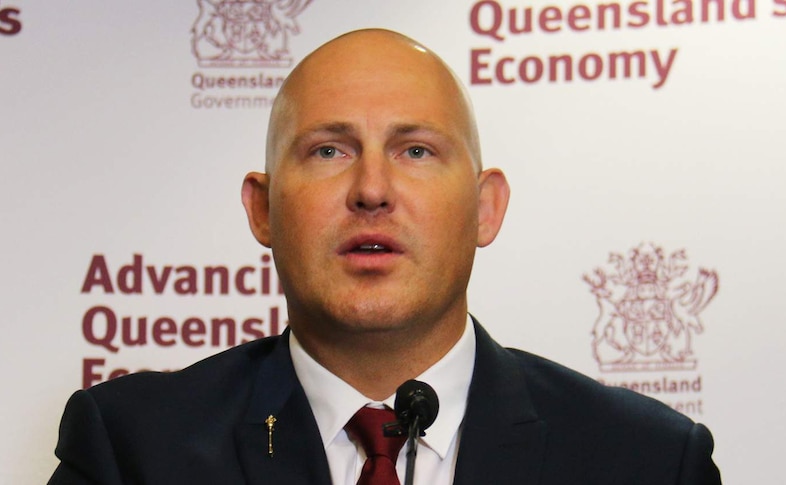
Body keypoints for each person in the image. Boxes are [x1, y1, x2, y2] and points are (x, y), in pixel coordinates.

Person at [48, 29, 721, 484]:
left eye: (417, 151)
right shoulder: (132, 450)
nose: (372, 190)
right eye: (329, 150)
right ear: (263, 208)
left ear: (486, 207)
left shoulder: (647, 461)